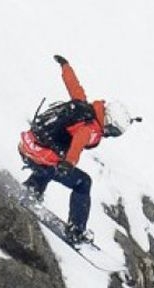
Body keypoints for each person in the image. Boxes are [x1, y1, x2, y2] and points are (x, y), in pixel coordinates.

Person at [18, 54, 137, 245]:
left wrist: (65, 66)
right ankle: (76, 230)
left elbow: (73, 85)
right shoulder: (91, 128)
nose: (110, 135)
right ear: (109, 123)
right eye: (113, 132)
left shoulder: (83, 105)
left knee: (52, 162)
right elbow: (79, 141)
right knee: (83, 183)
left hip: (29, 145)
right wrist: (69, 163)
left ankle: (32, 189)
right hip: (43, 156)